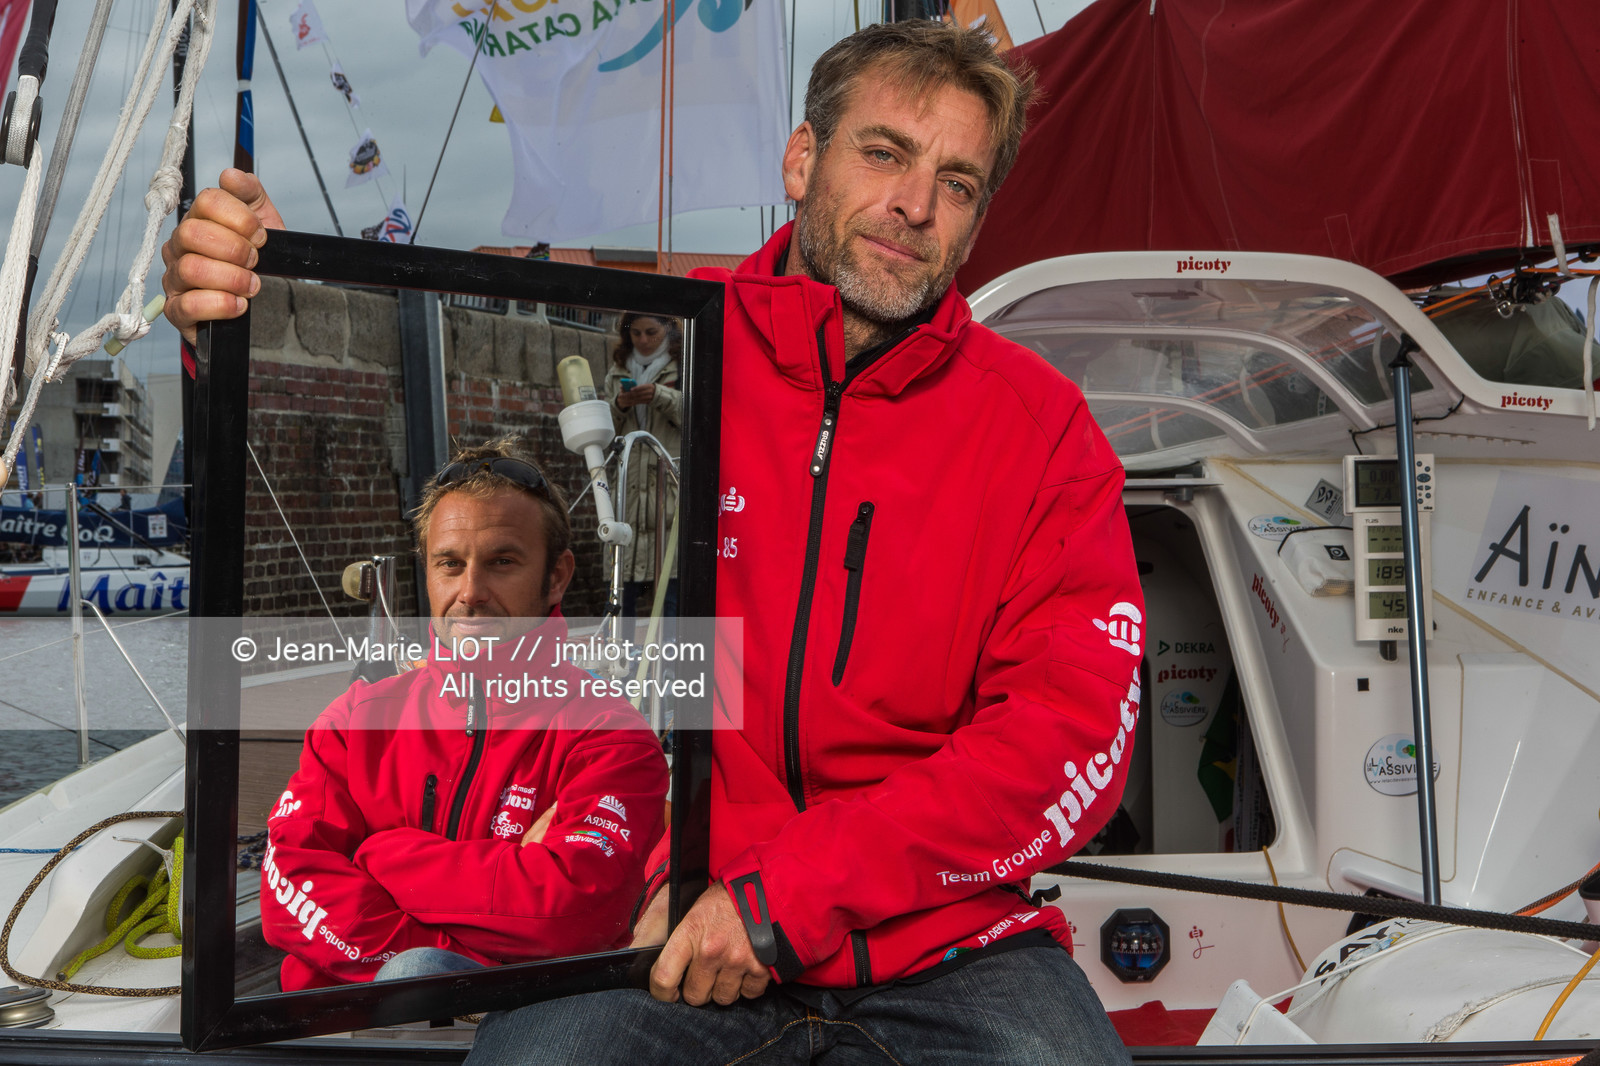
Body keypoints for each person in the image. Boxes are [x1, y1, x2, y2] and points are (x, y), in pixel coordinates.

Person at [161, 20, 1142, 1063]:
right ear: (802, 160)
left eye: (957, 181)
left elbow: (1065, 735)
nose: (913, 204)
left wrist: (786, 894)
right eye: (885, 152)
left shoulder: (1042, 432)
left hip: (950, 944)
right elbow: (487, 472)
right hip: (666, 927)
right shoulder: (670, 342)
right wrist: (250, 310)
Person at [259, 438, 669, 990]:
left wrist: (382, 854)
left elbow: (572, 914)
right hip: (334, 1029)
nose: (470, 593)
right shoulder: (357, 720)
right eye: (450, 565)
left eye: (502, 563)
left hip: (514, 1034)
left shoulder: (609, 738)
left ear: (557, 576)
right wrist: (450, 959)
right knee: (419, 968)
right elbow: (287, 883)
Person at [604, 312, 681, 618]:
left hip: (667, 487)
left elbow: (699, 415)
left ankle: (673, 662)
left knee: (671, 588)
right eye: (636, 333)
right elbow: (605, 431)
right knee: (622, 586)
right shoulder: (618, 368)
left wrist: (659, 396)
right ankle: (620, 657)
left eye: (652, 332)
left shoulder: (685, 363)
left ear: (667, 330)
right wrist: (620, 404)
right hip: (629, 486)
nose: (644, 340)